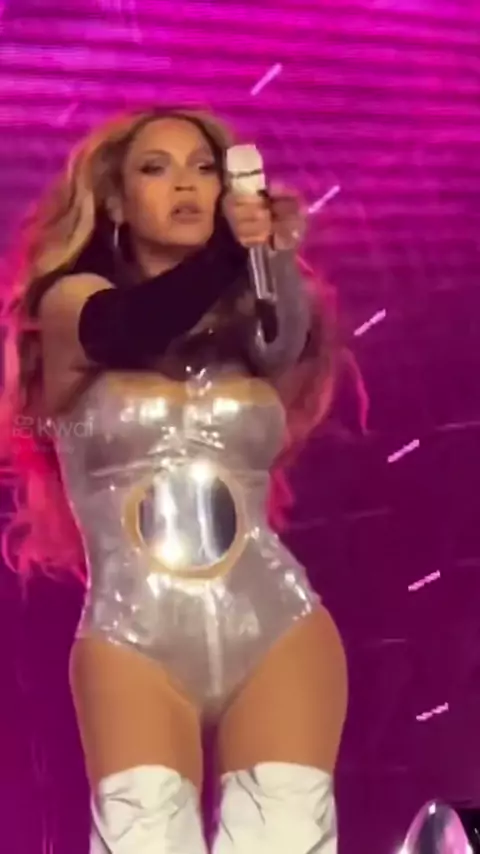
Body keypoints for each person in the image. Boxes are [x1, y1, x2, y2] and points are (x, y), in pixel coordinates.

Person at [1, 107, 348, 853]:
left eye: (204, 169)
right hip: (134, 639)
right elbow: (130, 327)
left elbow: (287, 340)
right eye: (156, 169)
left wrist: (269, 258)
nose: (186, 185)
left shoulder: (246, 321)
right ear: (117, 201)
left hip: (276, 624)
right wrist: (231, 250)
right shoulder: (70, 303)